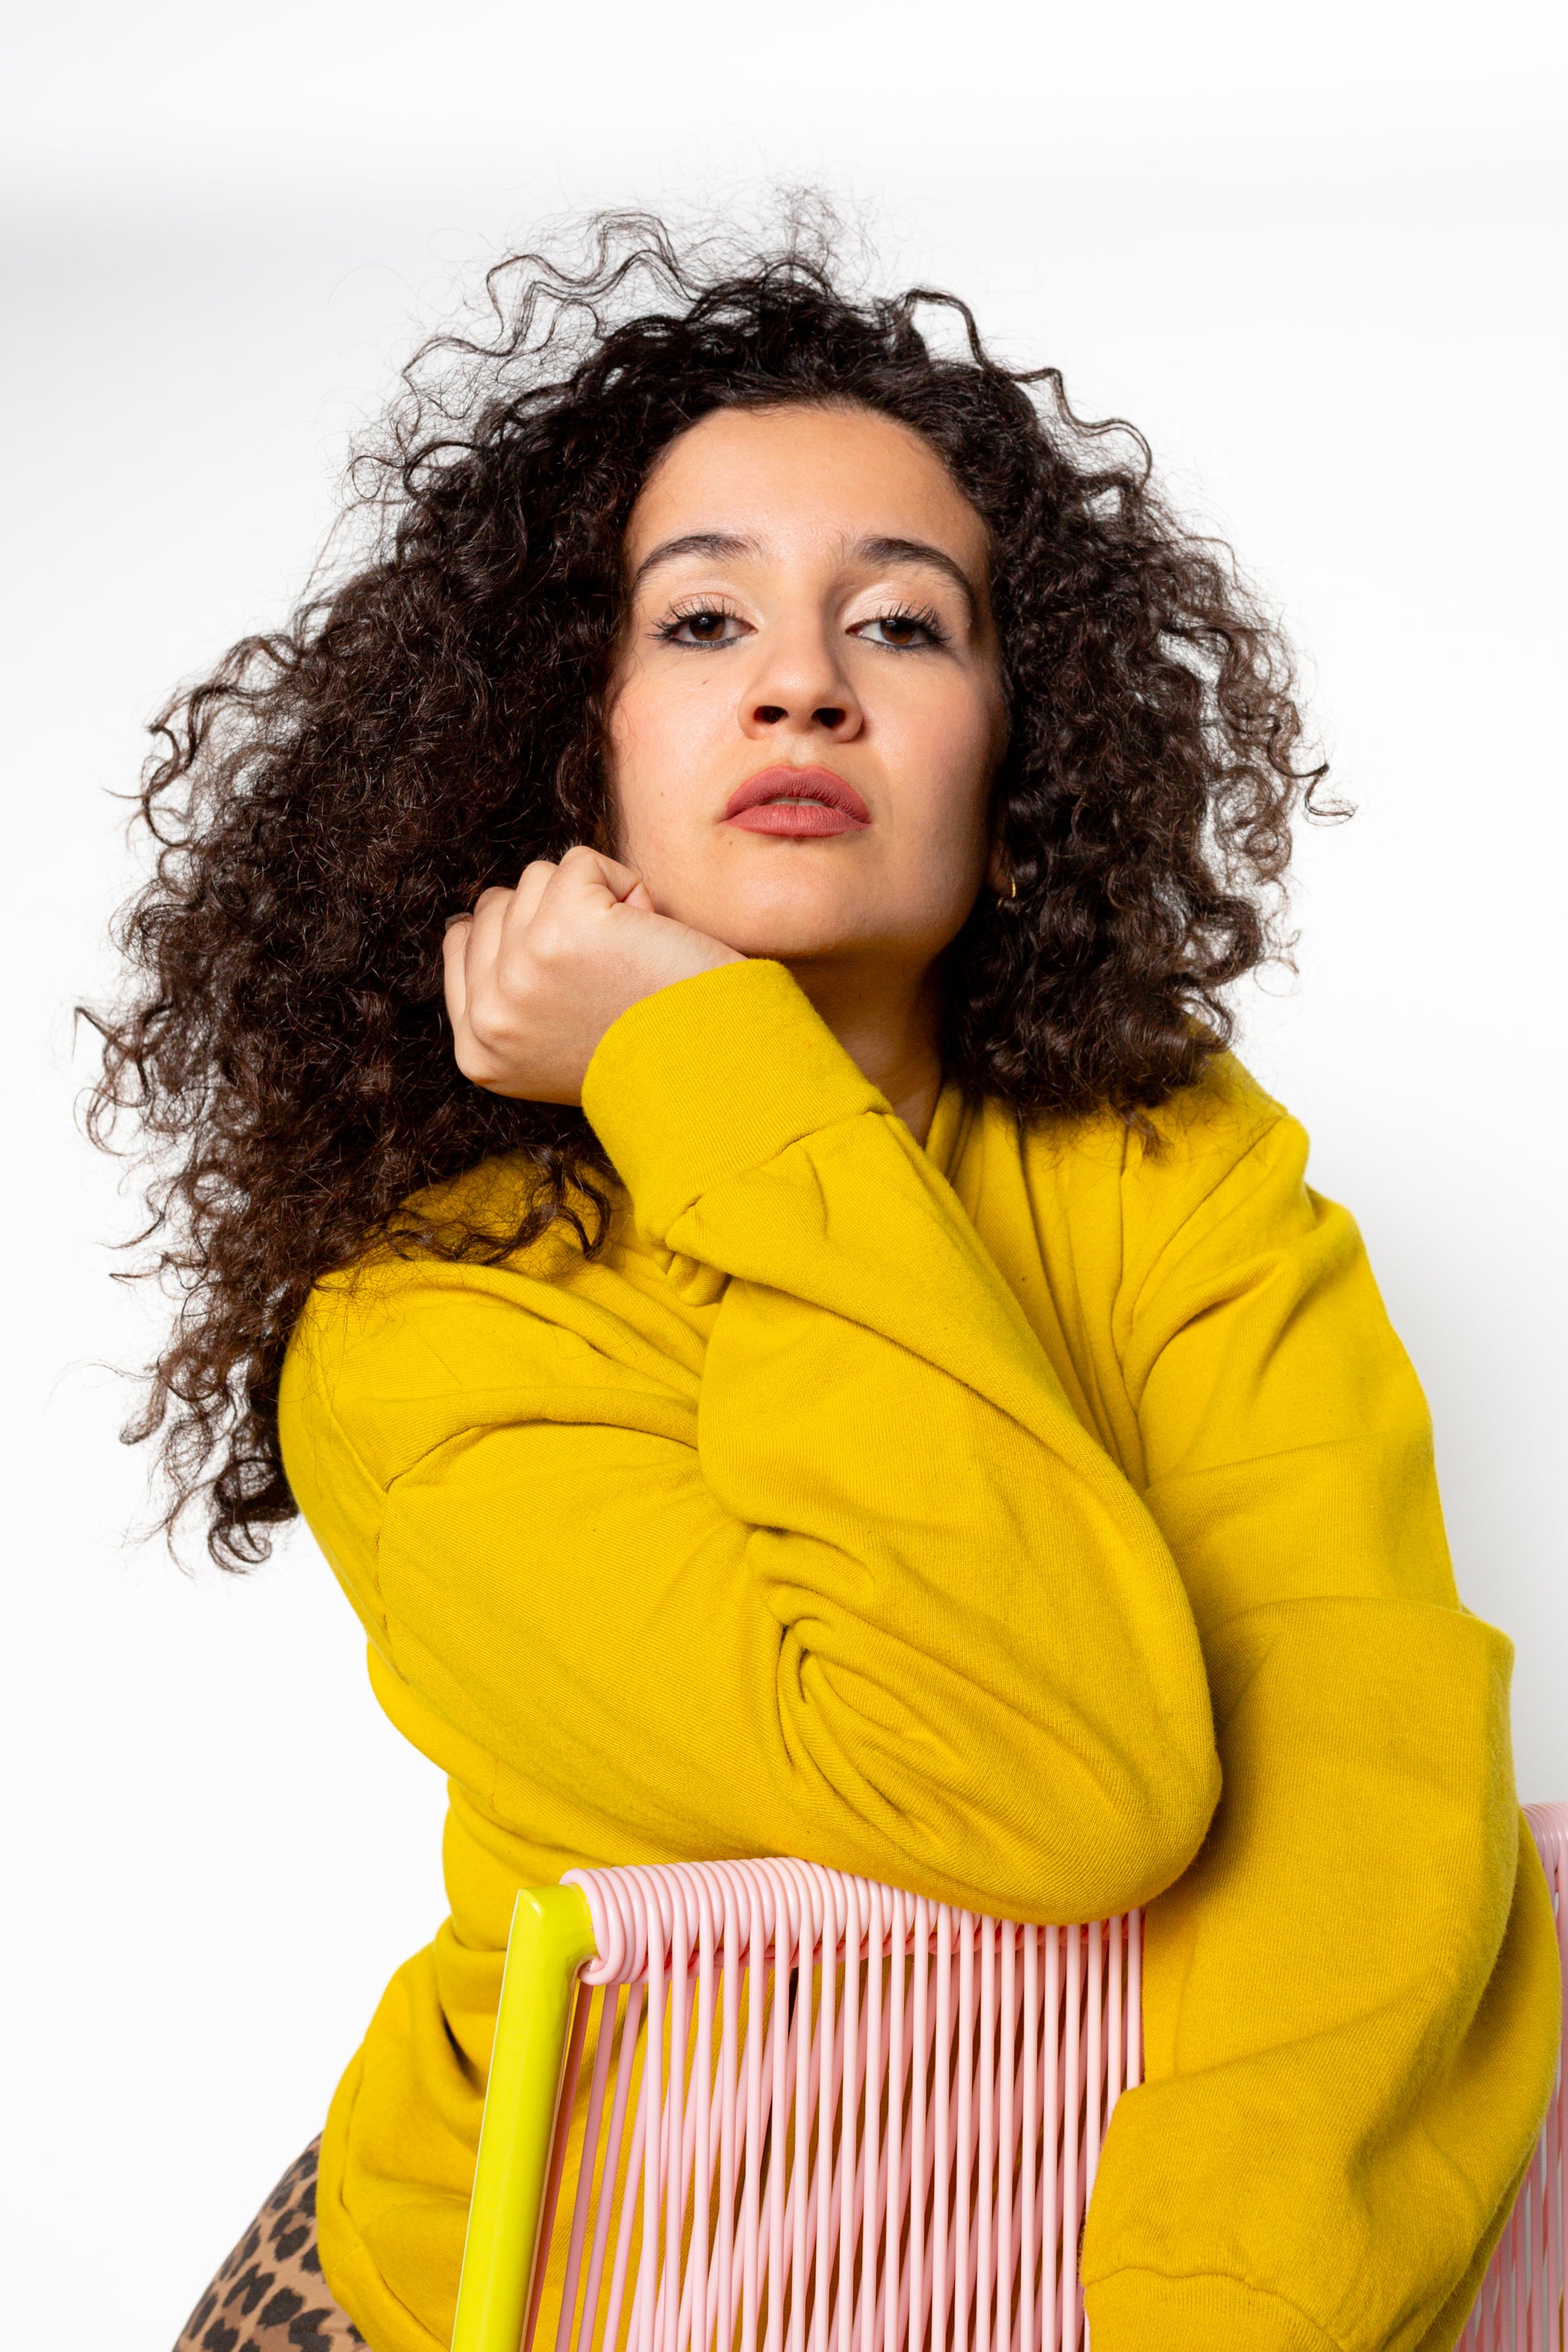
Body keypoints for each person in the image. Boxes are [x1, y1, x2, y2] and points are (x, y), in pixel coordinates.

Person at [90, 216, 1558, 2352]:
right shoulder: (424, 1326)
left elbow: (1365, 1785)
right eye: (700, 622)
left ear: (1012, 745)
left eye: (903, 620)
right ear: (561, 751)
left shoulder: (1167, 1168)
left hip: (1094, 2249)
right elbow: (1044, 1787)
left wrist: (1218, 2322)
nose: (804, 680)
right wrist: (699, 1069)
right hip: (574, 2279)